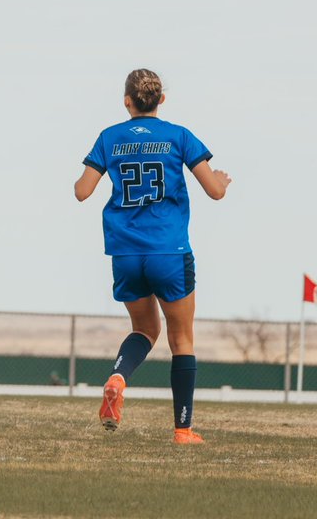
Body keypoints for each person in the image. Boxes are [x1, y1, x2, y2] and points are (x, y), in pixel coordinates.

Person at [74, 69, 231, 445]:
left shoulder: (110, 137)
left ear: (126, 101)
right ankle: (183, 430)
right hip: (169, 251)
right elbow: (214, 191)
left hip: (126, 252)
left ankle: (118, 377)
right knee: (181, 338)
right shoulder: (179, 135)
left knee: (145, 330)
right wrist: (221, 182)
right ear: (161, 100)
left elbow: (81, 191)